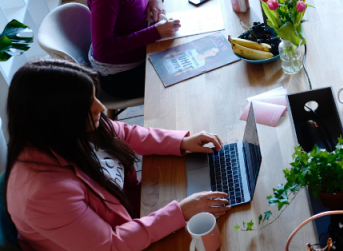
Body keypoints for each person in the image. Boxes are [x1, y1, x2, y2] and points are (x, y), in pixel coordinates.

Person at [5, 59, 230, 250]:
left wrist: (181, 142)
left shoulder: (67, 130)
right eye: (88, 104)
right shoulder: (44, 194)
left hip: (130, 213)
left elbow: (124, 132)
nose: (101, 108)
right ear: (56, 119)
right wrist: (180, 212)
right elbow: (110, 245)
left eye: (95, 97)